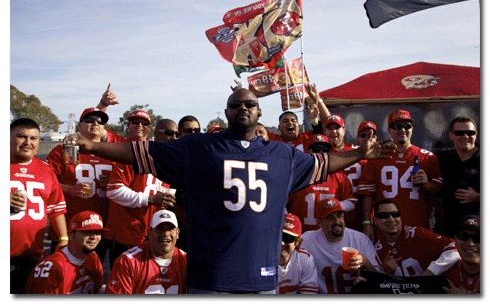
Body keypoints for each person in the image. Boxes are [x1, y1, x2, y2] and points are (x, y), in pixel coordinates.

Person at [73, 88, 395, 294]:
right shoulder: (198, 147)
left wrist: (359, 154)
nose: (243, 107)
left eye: (250, 104)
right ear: (226, 112)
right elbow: (141, 152)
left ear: (258, 113)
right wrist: (93, 146)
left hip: (262, 278)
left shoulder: (282, 155)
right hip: (211, 277)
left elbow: (323, 162)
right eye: (235, 104)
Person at [44, 107, 116, 263]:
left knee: (92, 277)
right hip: (69, 231)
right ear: (80, 125)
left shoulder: (113, 152)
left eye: (100, 121)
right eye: (89, 120)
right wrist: (70, 189)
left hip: (100, 233)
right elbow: (44, 182)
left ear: (104, 127)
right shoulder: (66, 150)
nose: (95, 123)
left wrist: (113, 184)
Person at [358, 109, 443, 240]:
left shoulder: (428, 158)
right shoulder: (377, 157)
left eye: (406, 126)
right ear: (389, 130)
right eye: (397, 126)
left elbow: (439, 191)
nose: (402, 129)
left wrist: (426, 184)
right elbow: (367, 193)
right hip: (385, 227)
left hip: (418, 226)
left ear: (412, 129)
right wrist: (366, 223)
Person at [105, 110, 172, 267]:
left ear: (150, 128)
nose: (140, 125)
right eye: (135, 122)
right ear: (128, 126)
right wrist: (150, 199)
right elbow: (113, 190)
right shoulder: (126, 151)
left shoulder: (160, 154)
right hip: (125, 234)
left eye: (144, 123)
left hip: (152, 234)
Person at [10, 118, 68, 294]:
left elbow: (56, 209)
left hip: (32, 255)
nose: (28, 143)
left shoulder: (46, 170)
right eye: (21, 136)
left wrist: (64, 239)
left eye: (33, 138)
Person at [301, 198, 380, 294]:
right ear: (320, 223)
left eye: (339, 216)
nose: (337, 221)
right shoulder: (307, 240)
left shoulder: (360, 240)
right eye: (330, 217)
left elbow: (380, 279)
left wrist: (365, 262)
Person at [105, 210, 187, 294]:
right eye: (160, 229)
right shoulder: (127, 261)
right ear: (150, 232)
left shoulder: (186, 261)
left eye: (170, 229)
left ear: (177, 233)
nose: (166, 233)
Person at [287, 134, 357, 232]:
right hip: (300, 234)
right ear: (306, 152)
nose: (321, 153)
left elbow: (351, 200)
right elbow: (282, 203)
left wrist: (332, 207)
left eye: (325, 150)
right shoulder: (295, 174)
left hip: (329, 234)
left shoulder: (339, 175)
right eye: (316, 150)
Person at [25, 211, 107, 294]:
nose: (94, 237)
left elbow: (98, 291)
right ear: (71, 235)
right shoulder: (51, 268)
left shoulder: (92, 257)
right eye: (87, 232)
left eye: (97, 232)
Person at [372, 199, 459, 277]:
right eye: (384, 215)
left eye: (395, 214)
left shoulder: (417, 234)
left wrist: (432, 271)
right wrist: (386, 273)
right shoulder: (377, 250)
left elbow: (456, 247)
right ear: (375, 220)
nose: (391, 219)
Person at [436, 116, 479, 238]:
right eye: (459, 133)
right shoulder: (443, 158)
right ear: (451, 135)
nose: (465, 136)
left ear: (476, 135)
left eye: (469, 132)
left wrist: (479, 197)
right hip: (449, 230)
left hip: (479, 232)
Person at [267, 84, 325, 151]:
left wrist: (316, 99)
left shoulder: (305, 138)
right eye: (285, 121)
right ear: (279, 127)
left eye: (293, 120)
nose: (290, 123)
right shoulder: (272, 139)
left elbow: (319, 130)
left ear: (298, 125)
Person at [276, 213, 318, 294]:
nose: (281, 243)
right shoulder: (262, 259)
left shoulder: (305, 258)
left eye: (288, 238)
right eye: (278, 237)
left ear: (297, 241)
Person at [442, 215, 480, 294]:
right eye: (463, 236)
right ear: (455, 239)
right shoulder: (447, 271)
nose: (470, 244)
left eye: (478, 238)